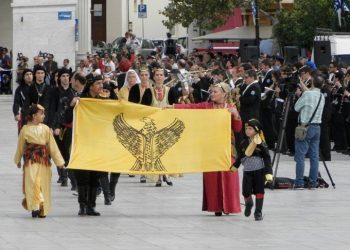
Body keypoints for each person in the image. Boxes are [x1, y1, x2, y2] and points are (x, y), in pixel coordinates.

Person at [173, 82, 242, 216]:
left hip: (227, 148)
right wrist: (174, 106)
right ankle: (215, 206)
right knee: (212, 177)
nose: (212, 94)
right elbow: (192, 107)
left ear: (224, 94)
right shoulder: (207, 106)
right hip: (211, 147)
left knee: (228, 176)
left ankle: (229, 206)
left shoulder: (231, 107)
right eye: (211, 92)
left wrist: (236, 115)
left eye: (215, 92)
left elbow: (238, 128)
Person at [14, 104, 65, 218]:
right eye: (41, 113)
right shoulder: (25, 129)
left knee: (43, 183)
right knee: (33, 182)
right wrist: (18, 160)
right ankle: (35, 206)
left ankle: (42, 208)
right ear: (34, 115)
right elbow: (20, 146)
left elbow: (53, 146)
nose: (43, 116)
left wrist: (59, 162)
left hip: (44, 160)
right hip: (31, 160)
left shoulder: (46, 129)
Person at [231, 119, 272, 221]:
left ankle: (258, 212)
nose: (247, 131)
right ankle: (248, 203)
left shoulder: (261, 143)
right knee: (246, 192)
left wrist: (268, 173)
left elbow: (267, 158)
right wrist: (235, 166)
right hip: (248, 172)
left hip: (259, 171)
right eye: (246, 128)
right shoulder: (244, 142)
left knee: (259, 191)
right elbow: (240, 156)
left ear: (256, 130)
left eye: (250, 129)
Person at [294, 75, 325, 189]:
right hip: (317, 127)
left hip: (305, 127)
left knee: (300, 156)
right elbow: (311, 94)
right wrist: (302, 84)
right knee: (314, 156)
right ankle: (313, 182)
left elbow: (296, 108)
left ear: (312, 83)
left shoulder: (307, 94)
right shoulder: (322, 96)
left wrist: (299, 95)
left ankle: (299, 182)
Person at [13, 69, 33, 133]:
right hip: (25, 114)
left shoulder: (37, 87)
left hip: (37, 115)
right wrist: (16, 113)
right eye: (27, 74)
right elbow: (16, 102)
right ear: (23, 77)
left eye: (30, 74)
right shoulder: (19, 89)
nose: (29, 76)